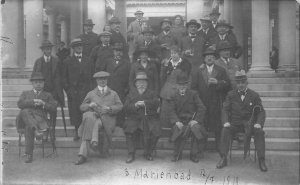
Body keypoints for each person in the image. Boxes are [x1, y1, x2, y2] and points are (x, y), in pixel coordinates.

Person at [217, 70, 268, 172]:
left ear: (246, 83)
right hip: (235, 124)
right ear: (236, 83)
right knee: (225, 130)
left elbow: (261, 112)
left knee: (259, 132)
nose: (240, 85)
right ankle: (223, 158)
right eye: (238, 83)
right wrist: (226, 121)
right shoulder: (231, 95)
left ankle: (261, 160)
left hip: (250, 125)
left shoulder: (254, 95)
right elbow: (225, 109)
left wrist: (258, 123)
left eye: (243, 83)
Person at [75, 71, 123, 165]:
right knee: (89, 120)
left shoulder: (113, 93)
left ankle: (89, 147)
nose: (102, 81)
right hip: (95, 116)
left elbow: (120, 106)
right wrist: (89, 105)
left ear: (107, 80)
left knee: (90, 123)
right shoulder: (91, 93)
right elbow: (82, 107)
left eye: (104, 79)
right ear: (96, 81)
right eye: (100, 79)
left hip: (107, 119)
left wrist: (110, 108)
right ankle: (83, 154)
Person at [191, 46, 231, 154]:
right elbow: (193, 87)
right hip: (202, 103)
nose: (209, 58)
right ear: (204, 59)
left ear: (215, 59)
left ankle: (219, 148)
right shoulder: (198, 71)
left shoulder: (221, 70)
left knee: (217, 126)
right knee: (202, 125)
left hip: (216, 102)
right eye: (207, 56)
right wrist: (197, 100)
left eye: (212, 56)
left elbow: (228, 85)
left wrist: (218, 82)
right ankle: (201, 148)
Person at [16, 72, 57, 163]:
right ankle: (36, 131)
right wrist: (33, 101)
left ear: (43, 84)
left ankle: (29, 155)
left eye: (40, 82)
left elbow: (54, 108)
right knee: (25, 112)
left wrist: (43, 104)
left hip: (40, 120)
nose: (38, 84)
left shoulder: (48, 95)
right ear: (32, 83)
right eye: (36, 82)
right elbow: (19, 104)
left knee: (28, 125)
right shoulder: (25, 93)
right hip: (26, 119)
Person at [169, 73, 207, 162]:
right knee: (177, 128)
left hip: (191, 121)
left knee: (195, 129)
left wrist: (196, 120)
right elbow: (171, 111)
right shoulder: (173, 96)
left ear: (187, 85)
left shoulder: (193, 94)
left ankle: (194, 154)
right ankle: (177, 154)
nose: (182, 87)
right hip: (180, 121)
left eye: (184, 85)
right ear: (177, 86)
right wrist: (176, 121)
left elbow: (202, 107)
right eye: (180, 85)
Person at [124, 72, 160, 163]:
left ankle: (148, 152)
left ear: (147, 84)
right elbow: (126, 107)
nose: (141, 85)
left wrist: (145, 103)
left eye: (143, 82)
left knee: (156, 131)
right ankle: (131, 153)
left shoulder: (152, 93)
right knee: (129, 130)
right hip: (134, 118)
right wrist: (135, 105)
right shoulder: (131, 94)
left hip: (149, 118)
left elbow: (156, 103)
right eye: (139, 83)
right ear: (136, 84)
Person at [62, 38, 94, 141]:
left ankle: (85, 131)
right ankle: (77, 131)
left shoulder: (88, 60)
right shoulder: (67, 61)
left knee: (86, 110)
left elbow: (92, 75)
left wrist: (91, 90)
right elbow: (64, 78)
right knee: (75, 112)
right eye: (77, 46)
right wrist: (69, 90)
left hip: (86, 91)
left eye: (81, 45)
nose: (79, 47)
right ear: (73, 48)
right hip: (74, 91)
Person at [32, 40, 64, 139]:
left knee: (53, 112)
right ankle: (45, 133)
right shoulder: (38, 62)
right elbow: (33, 76)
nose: (48, 50)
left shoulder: (57, 60)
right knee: (42, 113)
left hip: (54, 92)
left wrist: (58, 90)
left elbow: (61, 75)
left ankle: (52, 133)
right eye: (46, 49)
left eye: (50, 48)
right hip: (42, 92)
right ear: (43, 50)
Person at [160, 45, 191, 128]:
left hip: (180, 88)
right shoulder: (167, 63)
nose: (173, 55)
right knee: (166, 109)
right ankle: (165, 128)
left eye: (175, 53)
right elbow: (162, 78)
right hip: (167, 90)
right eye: (172, 53)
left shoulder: (185, 63)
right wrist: (164, 67)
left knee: (178, 109)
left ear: (179, 54)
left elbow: (187, 77)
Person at [104, 43, 131, 127]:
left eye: (120, 51)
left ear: (122, 53)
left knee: (120, 106)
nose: (118, 53)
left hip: (121, 89)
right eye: (116, 51)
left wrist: (126, 89)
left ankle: (120, 123)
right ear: (113, 52)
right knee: (109, 105)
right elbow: (104, 74)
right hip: (110, 88)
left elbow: (130, 77)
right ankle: (109, 123)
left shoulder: (127, 63)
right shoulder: (108, 61)